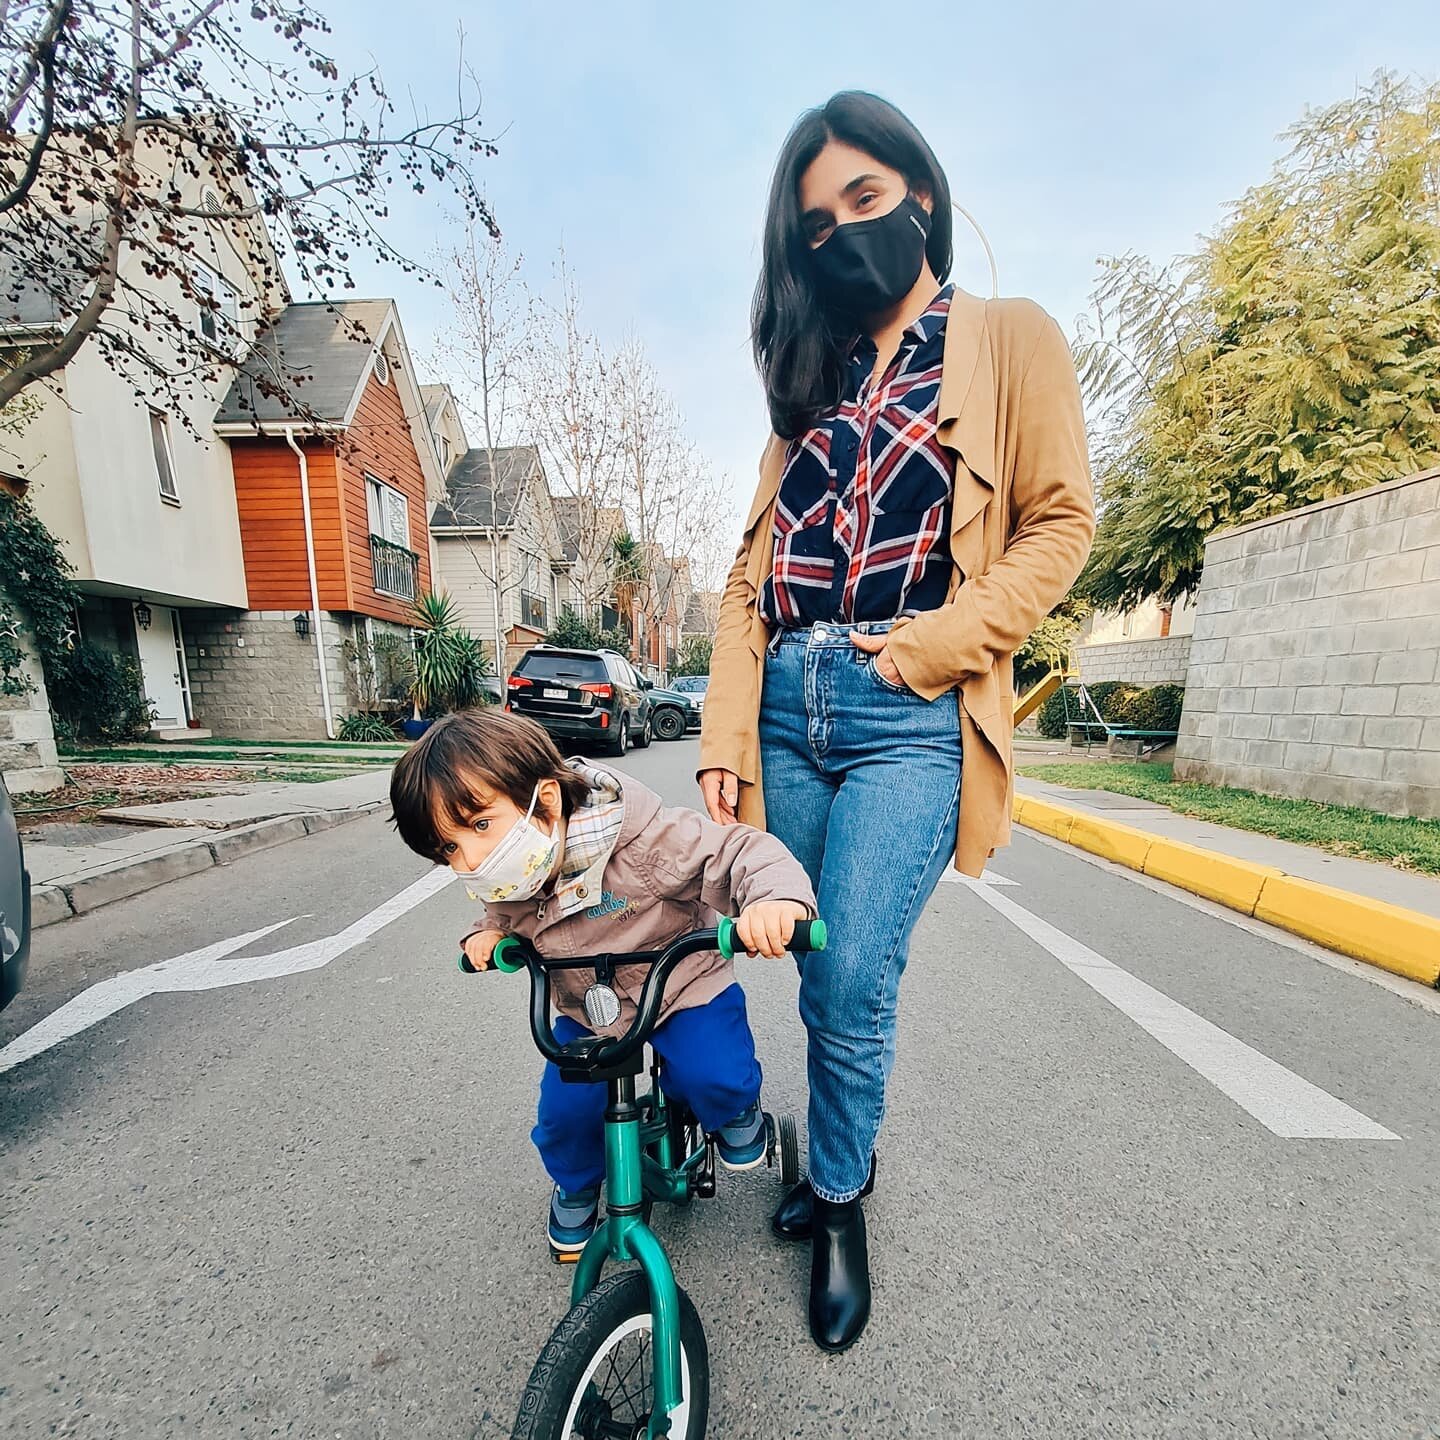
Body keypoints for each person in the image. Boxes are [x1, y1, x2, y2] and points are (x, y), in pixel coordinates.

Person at [699, 91, 1095, 1352]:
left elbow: (1061, 525)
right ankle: (830, 1157)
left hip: (907, 706)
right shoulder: (806, 378)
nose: (846, 234)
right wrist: (719, 731)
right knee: (803, 958)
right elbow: (747, 577)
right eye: (818, 226)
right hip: (786, 702)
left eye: (866, 200)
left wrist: (927, 650)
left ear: (920, 193)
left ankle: (839, 1195)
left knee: (853, 969)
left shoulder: (1009, 335)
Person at [391, 708, 814, 1259]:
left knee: (714, 1071)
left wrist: (773, 900)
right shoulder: (513, 868)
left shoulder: (643, 840)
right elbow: (502, 910)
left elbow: (737, 852)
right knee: (565, 1115)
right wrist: (487, 936)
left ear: (544, 803)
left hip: (679, 985)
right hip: (586, 1007)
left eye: (478, 826)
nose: (468, 861)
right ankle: (576, 1182)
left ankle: (735, 1109)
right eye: (448, 848)